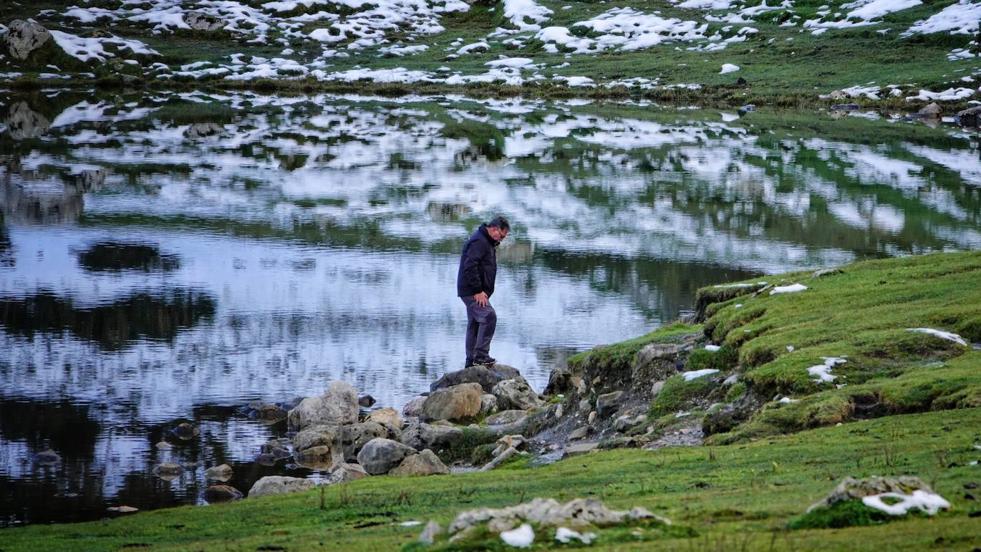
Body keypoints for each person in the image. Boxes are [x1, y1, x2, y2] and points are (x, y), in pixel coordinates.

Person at [456, 216, 510, 367]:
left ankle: (470, 361)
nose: (502, 239)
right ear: (494, 229)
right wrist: (478, 290)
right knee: (488, 316)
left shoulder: (486, 240)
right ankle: (480, 356)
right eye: (501, 236)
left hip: (471, 290)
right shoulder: (479, 241)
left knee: (475, 322)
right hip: (472, 291)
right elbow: (469, 266)